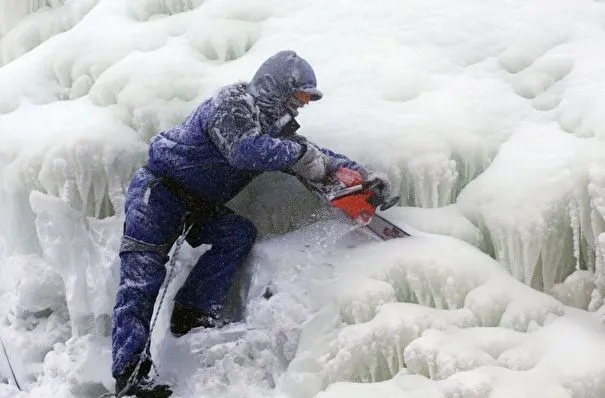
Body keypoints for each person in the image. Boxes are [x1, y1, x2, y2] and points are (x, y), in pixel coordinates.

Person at [110, 50, 391, 397]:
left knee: (237, 234)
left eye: (306, 99)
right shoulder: (232, 104)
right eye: (299, 95)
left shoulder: (275, 126)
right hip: (159, 195)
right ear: (275, 87)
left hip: (199, 204)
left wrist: (360, 176)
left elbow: (308, 150)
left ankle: (192, 312)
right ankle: (130, 377)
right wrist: (303, 158)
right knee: (141, 280)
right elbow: (245, 151)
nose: (302, 104)